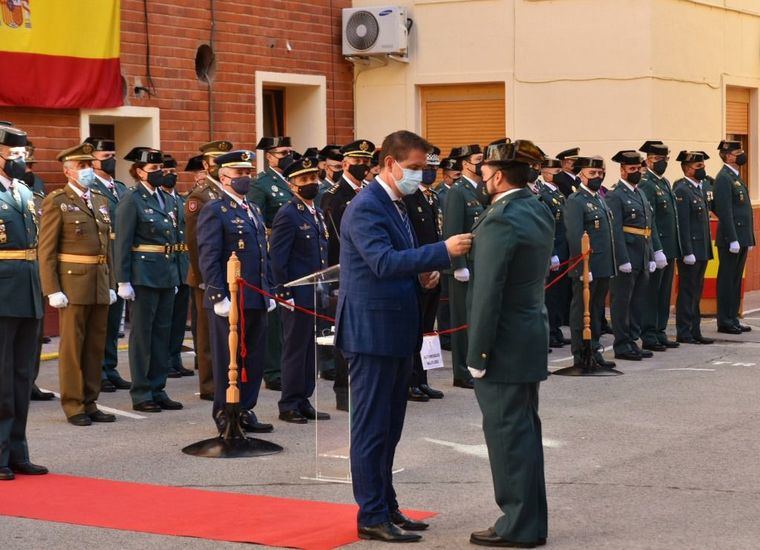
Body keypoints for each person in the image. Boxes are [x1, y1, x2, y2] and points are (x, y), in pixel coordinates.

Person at [335, 130, 472, 543]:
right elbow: (380, 261)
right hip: (372, 332)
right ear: (389, 163)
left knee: (390, 426)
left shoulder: (398, 201)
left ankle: (387, 505)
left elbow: (400, 259)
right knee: (372, 427)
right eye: (412, 168)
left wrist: (425, 272)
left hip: (396, 327)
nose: (419, 176)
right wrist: (441, 252)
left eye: (423, 168)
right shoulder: (366, 206)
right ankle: (371, 515)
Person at [466, 138, 551, 548]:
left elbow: (488, 292)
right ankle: (530, 520)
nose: (481, 177)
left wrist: (477, 353)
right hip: (528, 335)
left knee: (507, 438)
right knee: (523, 434)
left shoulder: (501, 217)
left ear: (498, 176)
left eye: (484, 172)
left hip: (502, 344)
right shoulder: (534, 208)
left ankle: (517, 525)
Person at [38, 143, 117, 425]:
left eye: (89, 166)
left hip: (99, 281)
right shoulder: (57, 201)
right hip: (72, 284)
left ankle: (90, 401)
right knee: (72, 348)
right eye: (81, 167)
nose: (87, 171)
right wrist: (52, 289)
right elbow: (45, 250)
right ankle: (73, 405)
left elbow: (108, 245)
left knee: (95, 346)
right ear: (67, 171)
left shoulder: (100, 200)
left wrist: (112, 282)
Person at [197, 150, 274, 434]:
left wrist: (269, 291)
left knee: (253, 356)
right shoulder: (215, 210)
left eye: (248, 173)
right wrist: (218, 294)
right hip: (230, 298)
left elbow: (262, 255)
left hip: (255, 295)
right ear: (224, 176)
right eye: (240, 173)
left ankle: (245, 408)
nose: (246, 178)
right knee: (227, 359)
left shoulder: (252, 208)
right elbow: (209, 255)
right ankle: (224, 411)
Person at [115, 147, 182, 413]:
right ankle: (142, 392)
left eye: (161, 169)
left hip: (165, 274)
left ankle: (158, 387)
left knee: (162, 334)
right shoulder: (132, 200)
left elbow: (172, 239)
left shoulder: (163, 198)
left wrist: (175, 273)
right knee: (142, 336)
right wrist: (123, 280)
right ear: (139, 172)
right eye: (154, 170)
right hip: (143, 276)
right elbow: (122, 242)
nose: (159, 174)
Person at [0, 124, 48, 480]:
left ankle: (18, 452)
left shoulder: (23, 191)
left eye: (22, 155)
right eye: (14, 155)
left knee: (21, 376)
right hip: (2, 292)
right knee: (1, 378)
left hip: (28, 289)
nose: (20, 161)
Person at [270, 156, 331, 423]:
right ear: (292, 185)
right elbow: (278, 258)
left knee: (309, 348)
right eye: (304, 180)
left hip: (314, 293)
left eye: (313, 178)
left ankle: (304, 398)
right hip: (296, 294)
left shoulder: (314, 211)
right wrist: (283, 292)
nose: (311, 184)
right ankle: (289, 403)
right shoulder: (288, 214)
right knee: (295, 348)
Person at [322, 139, 376, 410]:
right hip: (343, 271)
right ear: (344, 164)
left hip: (370, 272)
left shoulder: (370, 191)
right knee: (346, 334)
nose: (363, 166)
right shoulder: (334, 195)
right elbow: (333, 239)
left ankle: (364, 388)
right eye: (357, 161)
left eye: (366, 161)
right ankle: (344, 392)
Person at [185, 140, 232, 401]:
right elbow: (194, 241)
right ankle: (210, 384)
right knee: (207, 334)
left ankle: (226, 378)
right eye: (215, 161)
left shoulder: (227, 192)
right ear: (206, 164)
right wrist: (204, 277)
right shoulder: (200, 195)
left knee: (225, 332)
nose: (220, 165)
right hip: (206, 275)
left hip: (228, 273)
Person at [248, 136, 294, 392]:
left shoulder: (292, 179)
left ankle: (288, 366)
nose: (287, 155)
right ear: (269, 156)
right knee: (275, 314)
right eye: (282, 152)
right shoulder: (262, 184)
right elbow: (257, 218)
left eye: (289, 151)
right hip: (273, 250)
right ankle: (274, 370)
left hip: (294, 251)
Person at [86, 136, 131, 393]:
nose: (111, 161)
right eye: (105, 157)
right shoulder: (90, 188)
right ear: (92, 161)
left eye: (112, 155)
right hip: (102, 256)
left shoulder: (121, 187)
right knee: (100, 320)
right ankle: (97, 370)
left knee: (115, 320)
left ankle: (110, 367)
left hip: (119, 257)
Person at [564, 156, 617, 370]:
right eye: (592, 173)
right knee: (581, 311)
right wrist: (582, 267)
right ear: (581, 175)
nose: (597, 177)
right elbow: (576, 236)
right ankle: (581, 354)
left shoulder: (600, 198)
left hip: (603, 264)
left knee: (596, 311)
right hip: (587, 267)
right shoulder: (576, 201)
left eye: (599, 173)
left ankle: (594, 349)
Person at [402, 147, 445, 402]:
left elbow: (436, 234)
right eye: (425, 168)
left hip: (434, 268)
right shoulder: (408, 197)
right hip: (418, 270)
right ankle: (410, 381)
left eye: (433, 168)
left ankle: (422, 379)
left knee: (428, 329)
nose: (429, 173)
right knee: (414, 329)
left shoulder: (432, 197)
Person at [606, 150, 656, 361]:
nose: (636, 172)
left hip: (642, 254)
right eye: (632, 169)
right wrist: (622, 258)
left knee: (637, 302)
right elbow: (615, 230)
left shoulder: (639, 193)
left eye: (638, 169)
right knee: (622, 302)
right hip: (627, 255)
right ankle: (622, 344)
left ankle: (633, 341)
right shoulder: (615, 195)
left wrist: (652, 255)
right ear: (623, 170)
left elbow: (648, 226)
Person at [442, 144, 484, 389]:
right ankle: (461, 371)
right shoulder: (458, 192)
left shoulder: (480, 188)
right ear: (466, 163)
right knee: (462, 319)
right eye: (478, 159)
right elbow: (453, 229)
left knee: (476, 317)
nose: (482, 163)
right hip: (464, 265)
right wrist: (457, 264)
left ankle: (474, 364)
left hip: (480, 262)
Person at [638, 140, 680, 351]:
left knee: (664, 292)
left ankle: (660, 330)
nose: (662, 163)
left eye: (664, 159)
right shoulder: (647, 183)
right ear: (648, 160)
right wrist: (657, 249)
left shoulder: (663, 183)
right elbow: (650, 220)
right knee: (652, 293)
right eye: (657, 160)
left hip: (669, 246)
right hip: (658, 247)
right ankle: (649, 333)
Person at [714, 140, 755, 334]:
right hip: (731, 239)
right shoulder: (724, 178)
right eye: (738, 151)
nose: (741, 154)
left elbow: (744, 210)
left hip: (741, 237)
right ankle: (724, 321)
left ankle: (733, 318)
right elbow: (725, 211)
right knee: (727, 279)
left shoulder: (735, 177)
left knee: (736, 280)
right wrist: (732, 238)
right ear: (727, 155)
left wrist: (748, 237)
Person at [674, 151, 714, 345]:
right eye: (698, 167)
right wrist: (687, 251)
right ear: (687, 169)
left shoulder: (699, 188)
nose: (702, 169)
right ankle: (684, 330)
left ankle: (695, 329)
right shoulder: (682, 190)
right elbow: (683, 224)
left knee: (696, 290)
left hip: (702, 248)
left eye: (703, 166)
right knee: (687, 290)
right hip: (691, 251)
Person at [160, 154, 193, 379]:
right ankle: (164, 361)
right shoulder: (158, 200)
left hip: (183, 265)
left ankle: (175, 358)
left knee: (180, 318)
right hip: (166, 265)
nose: (170, 175)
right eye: (164, 172)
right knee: (166, 319)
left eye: (172, 171)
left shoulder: (180, 200)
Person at [537, 157, 571, 348]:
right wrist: (552, 253)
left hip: (564, 249)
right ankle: (549, 331)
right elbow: (548, 226)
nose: (560, 176)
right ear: (546, 173)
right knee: (550, 293)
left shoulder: (558, 194)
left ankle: (556, 328)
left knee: (559, 293)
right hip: (554, 249)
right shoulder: (543, 194)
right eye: (557, 173)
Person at [435, 156, 461, 350]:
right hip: (443, 246)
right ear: (445, 176)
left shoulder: (458, 192)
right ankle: (445, 335)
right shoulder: (440, 193)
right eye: (455, 176)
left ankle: (453, 332)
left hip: (451, 246)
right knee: (444, 299)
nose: (457, 179)